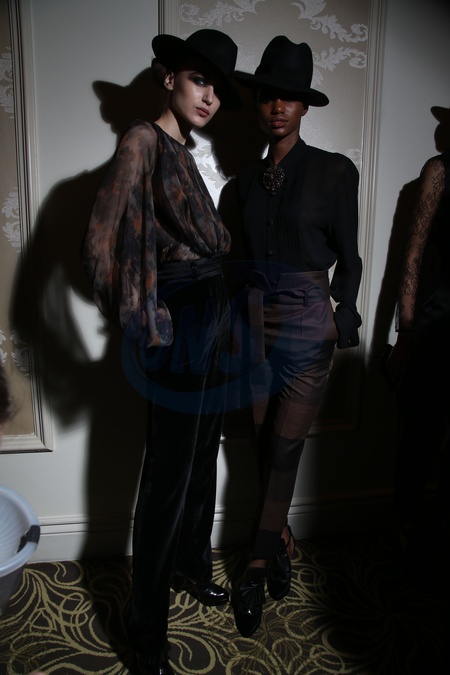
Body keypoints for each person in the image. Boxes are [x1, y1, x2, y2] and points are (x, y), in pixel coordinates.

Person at [82, 29, 241, 675]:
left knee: (202, 454)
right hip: (177, 322)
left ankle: (190, 565)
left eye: (217, 89)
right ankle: (145, 630)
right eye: (200, 79)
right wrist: (141, 319)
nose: (209, 97)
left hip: (214, 316)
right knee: (167, 475)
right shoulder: (142, 141)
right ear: (169, 76)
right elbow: (98, 247)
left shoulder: (184, 151)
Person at [231, 36, 362, 637]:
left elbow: (350, 259)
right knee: (261, 444)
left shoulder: (335, 171)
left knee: (286, 447)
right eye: (268, 96)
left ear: (305, 105)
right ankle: (280, 536)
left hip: (310, 321)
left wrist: (344, 316)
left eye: (289, 97)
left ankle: (256, 565)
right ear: (258, 103)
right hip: (252, 322)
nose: (277, 106)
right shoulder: (240, 185)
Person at [386, 105, 450, 555]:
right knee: (420, 439)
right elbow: (412, 253)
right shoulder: (440, 171)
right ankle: (401, 534)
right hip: (439, 324)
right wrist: (405, 332)